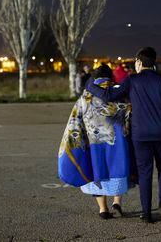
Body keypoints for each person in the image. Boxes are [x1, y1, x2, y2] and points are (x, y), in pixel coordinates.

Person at [86, 47, 161, 224]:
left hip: (141, 134)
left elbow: (109, 96)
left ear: (138, 62)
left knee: (145, 172)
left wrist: (91, 85)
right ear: (154, 62)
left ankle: (146, 213)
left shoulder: (132, 80)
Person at [58, 64, 134, 220]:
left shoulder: (85, 97)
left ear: (94, 78)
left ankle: (103, 209)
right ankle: (117, 203)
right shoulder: (119, 95)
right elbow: (129, 117)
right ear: (110, 77)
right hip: (117, 145)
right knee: (118, 172)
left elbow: (75, 121)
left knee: (96, 172)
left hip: (94, 146)